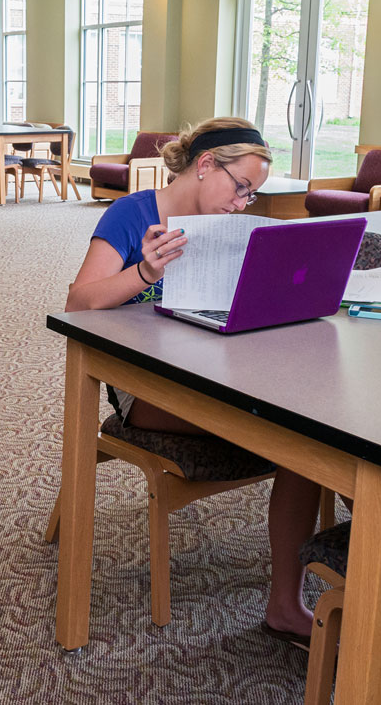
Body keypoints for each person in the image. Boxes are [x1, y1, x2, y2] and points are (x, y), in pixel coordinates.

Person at [65, 116, 322, 645]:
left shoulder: (227, 225)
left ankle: (287, 603)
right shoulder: (132, 214)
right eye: (242, 188)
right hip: (146, 384)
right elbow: (78, 303)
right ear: (206, 165)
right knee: (304, 435)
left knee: (316, 430)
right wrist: (145, 273)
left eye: (251, 197)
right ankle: (291, 602)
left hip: (216, 362)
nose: (241, 203)